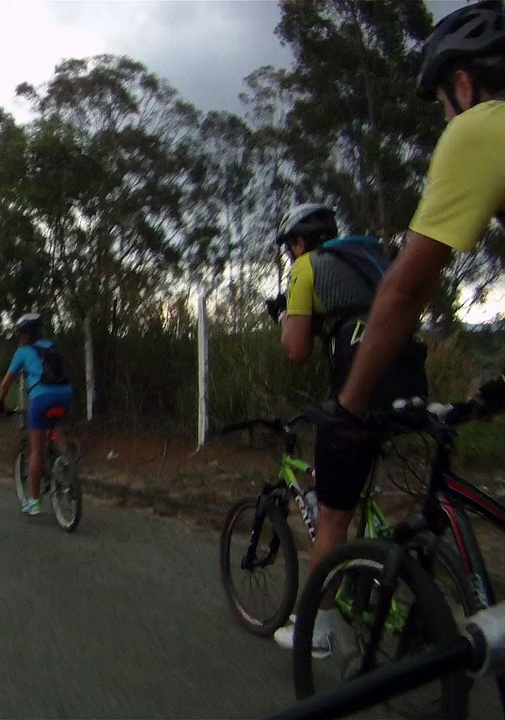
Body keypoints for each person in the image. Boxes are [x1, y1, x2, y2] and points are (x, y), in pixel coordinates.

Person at [265, 203, 428, 657]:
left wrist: (283, 315)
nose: (291, 255)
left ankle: (317, 628)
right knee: (352, 484)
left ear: (299, 242)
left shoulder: (307, 268)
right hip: (409, 386)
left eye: (291, 247)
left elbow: (295, 350)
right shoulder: (372, 257)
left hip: (361, 395)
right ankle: (368, 572)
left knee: (334, 516)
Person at [337, 0, 505, 425]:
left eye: (444, 104)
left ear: (463, 84)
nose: (447, 118)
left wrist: (349, 408)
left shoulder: (479, 126)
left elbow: (406, 291)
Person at [0, 313, 74, 516]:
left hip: (41, 399)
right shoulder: (51, 346)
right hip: (65, 395)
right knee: (55, 429)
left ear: (24, 334)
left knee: (36, 449)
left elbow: (6, 383)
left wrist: (0, 403)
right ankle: (68, 467)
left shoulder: (23, 352)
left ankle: (34, 502)